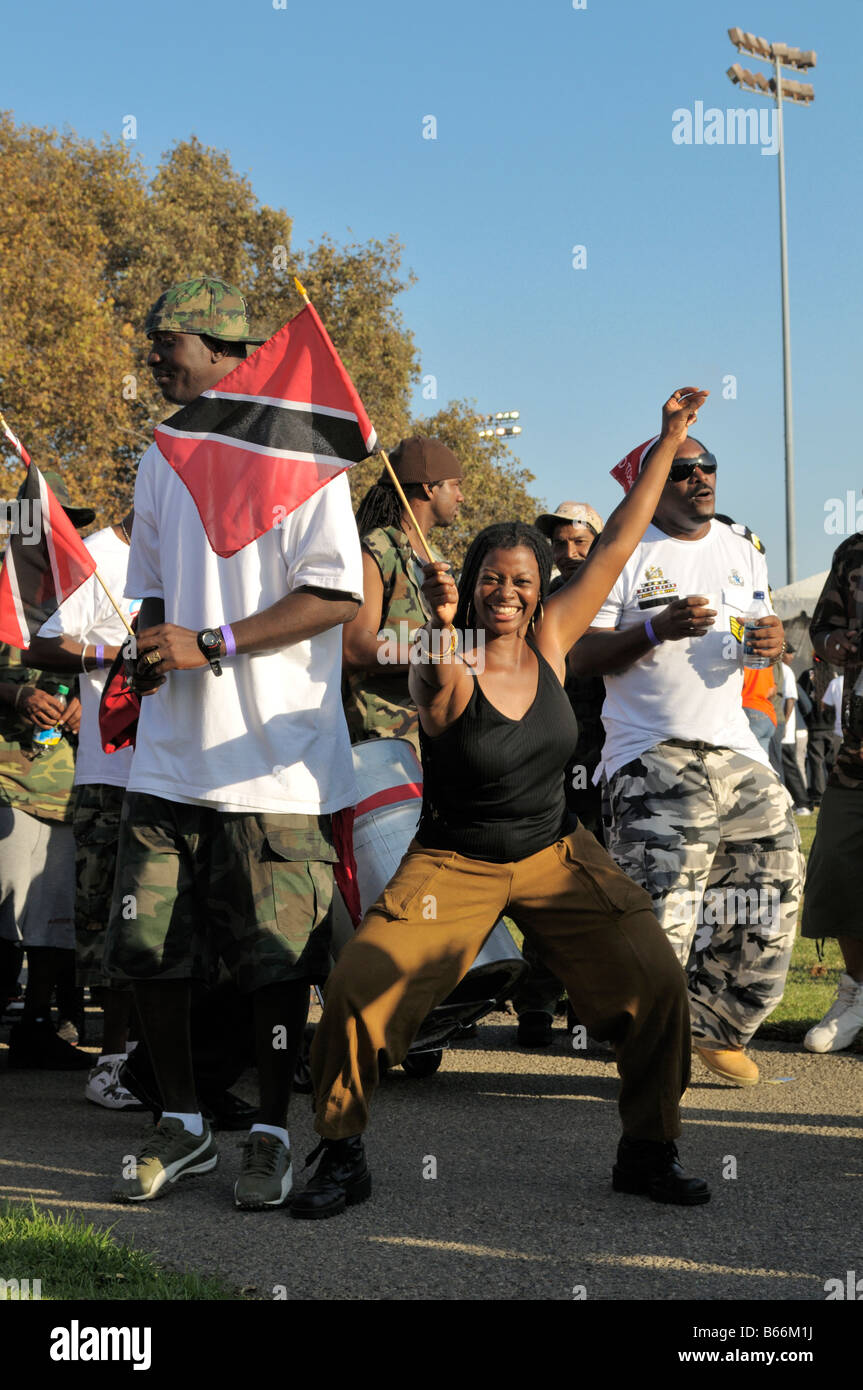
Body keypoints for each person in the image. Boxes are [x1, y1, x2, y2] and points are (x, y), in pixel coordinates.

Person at [290, 387, 713, 1220]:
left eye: (521, 579)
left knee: (657, 985)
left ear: (539, 585)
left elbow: (622, 538)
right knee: (355, 991)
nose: (507, 592)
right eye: (492, 578)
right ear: (472, 583)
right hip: (455, 860)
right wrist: (444, 627)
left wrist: (667, 441)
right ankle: (340, 1153)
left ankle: (647, 1150)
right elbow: (432, 691)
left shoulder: (555, 636)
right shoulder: (447, 654)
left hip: (557, 855)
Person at [102, 276, 364, 1209]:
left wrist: (211, 644)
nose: (155, 358)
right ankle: (179, 1125)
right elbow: (158, 595)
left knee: (274, 966)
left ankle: (268, 1133)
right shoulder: (162, 455)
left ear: (223, 350)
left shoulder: (307, 461)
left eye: (166, 340)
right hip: (170, 758)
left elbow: (338, 595)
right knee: (148, 950)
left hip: (275, 765)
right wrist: (148, 647)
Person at [569, 433, 803, 1089]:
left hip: (733, 747)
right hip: (650, 752)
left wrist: (771, 642)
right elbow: (578, 655)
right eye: (681, 470)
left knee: (770, 889)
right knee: (663, 914)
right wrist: (654, 629)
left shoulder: (738, 550)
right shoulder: (624, 552)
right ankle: (649, 1049)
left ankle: (716, 1027)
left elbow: (756, 647)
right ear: (651, 481)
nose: (699, 477)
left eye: (707, 467)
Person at [28, 508, 142, 1107]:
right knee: (110, 928)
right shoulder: (97, 554)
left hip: (171, 773)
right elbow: (42, 643)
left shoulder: (184, 556)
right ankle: (110, 1064)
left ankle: (157, 1061)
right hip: (110, 775)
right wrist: (113, 657)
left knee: (162, 925)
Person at [1, 472, 91, 1070]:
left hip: (68, 788)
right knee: (3, 911)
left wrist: (96, 699)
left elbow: (110, 664)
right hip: (6, 781)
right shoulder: (4, 594)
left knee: (55, 918)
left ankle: (38, 1027)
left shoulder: (83, 596)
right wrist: (15, 697)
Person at [511, 501, 606, 1046]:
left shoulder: (612, 602)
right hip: (548, 762)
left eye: (581, 543)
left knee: (597, 885)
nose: (569, 553)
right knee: (546, 883)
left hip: (605, 762)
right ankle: (536, 1003)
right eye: (560, 543)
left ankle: (587, 1005)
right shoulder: (533, 604)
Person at [342, 438, 464, 756]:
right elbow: (354, 646)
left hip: (431, 735)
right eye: (455, 485)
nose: (461, 497)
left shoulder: (438, 562)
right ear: (428, 488)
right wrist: (432, 659)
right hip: (381, 739)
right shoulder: (378, 548)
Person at [799, 547, 863, 1052]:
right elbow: (820, 629)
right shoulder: (854, 552)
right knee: (835, 869)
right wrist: (833, 642)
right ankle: (856, 990)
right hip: (857, 757)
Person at [780, 646, 810, 814]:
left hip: (786, 730)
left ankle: (803, 803)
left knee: (790, 768)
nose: (790, 656)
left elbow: (790, 698)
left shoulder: (786, 672)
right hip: (776, 728)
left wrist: (784, 724)